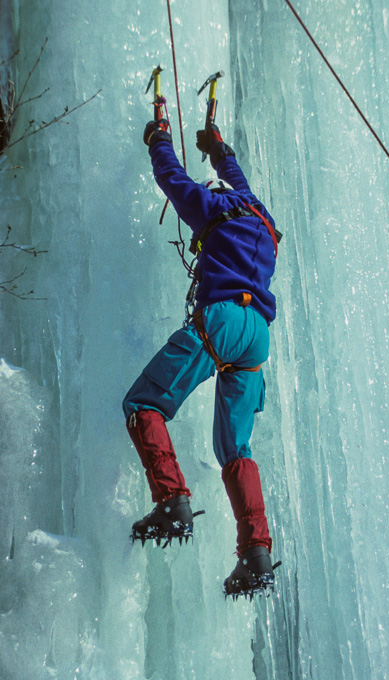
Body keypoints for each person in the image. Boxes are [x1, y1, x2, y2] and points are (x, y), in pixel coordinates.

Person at [122, 114, 281, 598]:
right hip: (258, 335)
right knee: (235, 449)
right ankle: (256, 552)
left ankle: (171, 498)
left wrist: (159, 138)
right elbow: (239, 178)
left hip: (224, 320)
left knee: (143, 404)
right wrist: (218, 147)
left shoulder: (210, 205)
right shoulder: (259, 212)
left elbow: (171, 177)